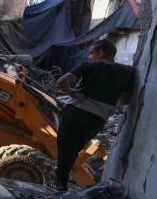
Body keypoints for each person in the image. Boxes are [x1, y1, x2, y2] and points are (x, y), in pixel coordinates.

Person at [54, 39, 136, 191]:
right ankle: (61, 183)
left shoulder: (90, 66)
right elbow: (126, 100)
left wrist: (73, 93)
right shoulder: (128, 72)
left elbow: (62, 82)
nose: (90, 56)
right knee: (73, 150)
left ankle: (60, 185)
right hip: (97, 119)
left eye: (91, 53)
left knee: (66, 150)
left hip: (76, 112)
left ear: (100, 53)